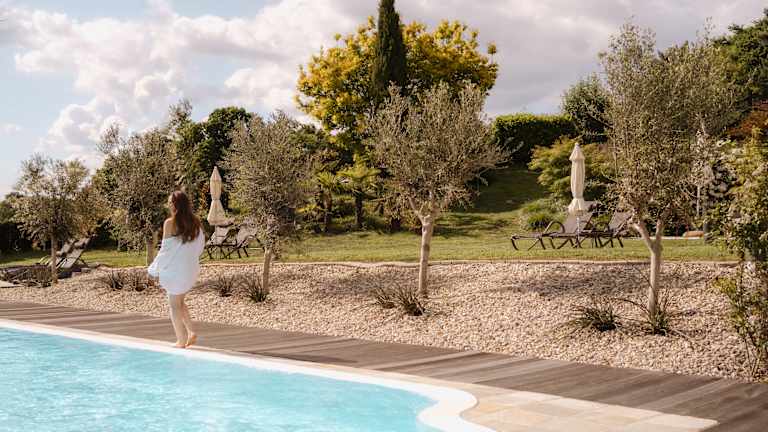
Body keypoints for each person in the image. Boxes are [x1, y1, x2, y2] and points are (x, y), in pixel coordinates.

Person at [148, 190, 206, 348]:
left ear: (175, 205)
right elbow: (199, 247)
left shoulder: (170, 223)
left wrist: (153, 270)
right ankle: (191, 332)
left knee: (174, 305)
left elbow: (165, 251)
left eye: (169, 203)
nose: (168, 205)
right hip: (190, 269)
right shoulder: (196, 223)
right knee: (180, 301)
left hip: (175, 271)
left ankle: (181, 340)